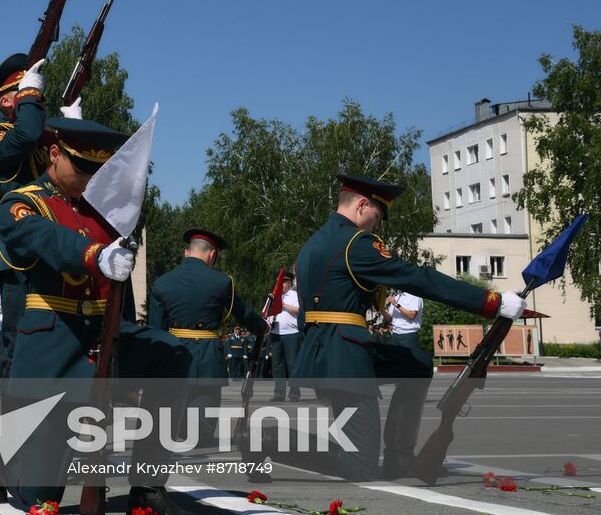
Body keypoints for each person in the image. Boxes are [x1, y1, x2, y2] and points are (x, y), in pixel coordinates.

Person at [0, 118, 199, 515]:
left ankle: (148, 490)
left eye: (97, 170)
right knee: (39, 501)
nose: (89, 178)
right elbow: (43, 237)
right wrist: (93, 256)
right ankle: (0, 450)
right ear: (56, 154)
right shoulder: (23, 203)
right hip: (55, 344)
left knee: (171, 355)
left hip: (103, 334)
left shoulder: (105, 210)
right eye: (81, 167)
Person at [289, 173, 527, 480]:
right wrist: (491, 302)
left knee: (415, 364)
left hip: (329, 348)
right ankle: (268, 442)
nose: (378, 224)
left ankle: (399, 458)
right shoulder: (356, 244)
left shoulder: (313, 244)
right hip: (345, 356)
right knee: (360, 466)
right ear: (362, 205)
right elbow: (417, 278)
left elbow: (306, 312)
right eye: (377, 215)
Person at [148, 229, 267, 443]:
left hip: (173, 357)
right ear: (212, 254)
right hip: (207, 358)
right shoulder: (221, 282)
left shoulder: (162, 282)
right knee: (201, 432)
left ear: (186, 252)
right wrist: (262, 327)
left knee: (170, 425)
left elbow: (155, 330)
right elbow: (243, 314)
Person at [0, 54, 50, 378]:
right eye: (21, 90)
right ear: (6, 99)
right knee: (19, 343)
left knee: (49, 342)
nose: (32, 94)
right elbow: (27, 134)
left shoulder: (40, 137)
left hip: (48, 249)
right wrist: (31, 96)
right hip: (18, 257)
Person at [268, 271, 300, 402]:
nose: (280, 285)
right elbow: (267, 312)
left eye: (283, 282)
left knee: (292, 364)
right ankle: (279, 394)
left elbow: (298, 310)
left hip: (291, 334)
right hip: (275, 333)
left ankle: (294, 393)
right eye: (278, 282)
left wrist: (283, 305)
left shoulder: (294, 295)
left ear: (289, 283)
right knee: (277, 365)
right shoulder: (273, 296)